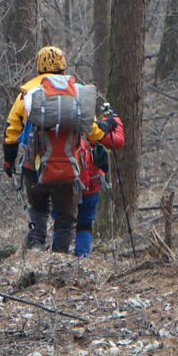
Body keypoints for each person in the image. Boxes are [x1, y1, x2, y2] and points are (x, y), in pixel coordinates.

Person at [3, 46, 111, 255]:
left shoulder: (27, 95)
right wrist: (106, 126)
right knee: (65, 219)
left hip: (33, 167)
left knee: (38, 210)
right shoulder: (76, 92)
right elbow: (94, 133)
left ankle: (36, 249)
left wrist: (8, 162)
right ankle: (59, 258)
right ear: (63, 67)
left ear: (39, 67)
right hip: (67, 167)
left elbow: (11, 132)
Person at [73, 103, 124, 257]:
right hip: (90, 184)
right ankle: (82, 258)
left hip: (62, 181)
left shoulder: (56, 125)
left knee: (62, 223)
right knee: (85, 225)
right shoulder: (93, 128)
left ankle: (58, 259)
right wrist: (114, 120)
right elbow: (117, 141)